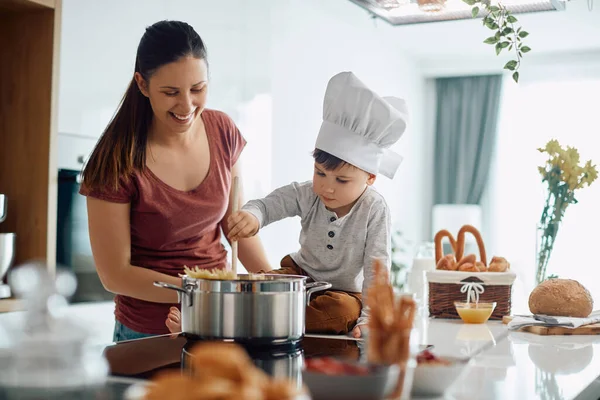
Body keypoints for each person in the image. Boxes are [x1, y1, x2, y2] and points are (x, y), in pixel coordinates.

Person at [80, 20, 270, 342]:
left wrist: (273, 282)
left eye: (198, 89)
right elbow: (115, 275)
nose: (187, 106)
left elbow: (235, 226)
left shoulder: (221, 130)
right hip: (146, 332)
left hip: (218, 321)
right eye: (170, 92)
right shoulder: (115, 160)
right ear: (142, 84)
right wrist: (204, 291)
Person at [225, 71, 408, 338]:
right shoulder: (308, 193)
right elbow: (268, 205)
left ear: (370, 178)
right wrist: (252, 216)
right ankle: (245, 316)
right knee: (260, 285)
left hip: (342, 292)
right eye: (320, 173)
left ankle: (258, 319)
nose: (327, 187)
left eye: (342, 180)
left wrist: (369, 319)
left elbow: (377, 271)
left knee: (341, 312)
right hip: (298, 277)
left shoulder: (374, 209)